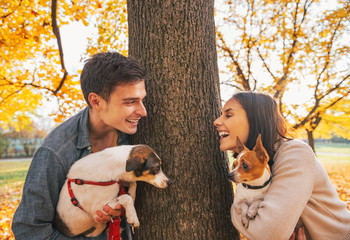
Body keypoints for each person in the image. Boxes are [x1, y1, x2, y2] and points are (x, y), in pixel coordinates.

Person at [12, 51, 147, 239]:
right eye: (131, 102)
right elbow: (29, 229)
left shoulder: (134, 134)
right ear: (96, 101)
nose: (143, 111)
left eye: (142, 100)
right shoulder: (55, 153)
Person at [214, 91, 350, 240]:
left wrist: (235, 210)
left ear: (255, 119)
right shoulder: (258, 167)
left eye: (228, 115)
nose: (216, 121)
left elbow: (267, 233)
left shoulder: (295, 153)